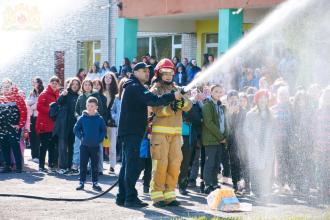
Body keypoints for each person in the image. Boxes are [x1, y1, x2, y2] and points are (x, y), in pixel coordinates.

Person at [116, 62, 182, 208]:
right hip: (132, 132)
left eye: (148, 71)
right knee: (133, 165)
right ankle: (131, 198)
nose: (147, 73)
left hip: (130, 132)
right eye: (144, 71)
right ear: (135, 72)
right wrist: (173, 96)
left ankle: (122, 197)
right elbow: (154, 100)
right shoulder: (135, 87)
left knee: (127, 165)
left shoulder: (134, 87)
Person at [149, 58, 192, 206]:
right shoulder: (155, 89)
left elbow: (189, 105)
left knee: (174, 163)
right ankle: (157, 195)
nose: (168, 75)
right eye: (165, 72)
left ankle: (170, 194)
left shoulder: (177, 89)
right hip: (160, 133)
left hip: (176, 134)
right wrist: (170, 108)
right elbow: (155, 108)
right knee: (161, 164)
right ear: (159, 74)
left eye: (170, 73)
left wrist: (182, 103)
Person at [244, 90, 276, 198]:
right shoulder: (250, 114)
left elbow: (274, 130)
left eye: (265, 98)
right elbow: (246, 129)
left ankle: (264, 190)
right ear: (257, 100)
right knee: (255, 168)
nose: (263, 100)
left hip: (267, 145)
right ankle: (254, 190)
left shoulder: (271, 114)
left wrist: (272, 140)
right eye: (260, 98)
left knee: (266, 168)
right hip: (255, 145)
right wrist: (253, 137)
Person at [74, 97, 106, 192]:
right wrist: (81, 137)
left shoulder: (99, 119)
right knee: (83, 164)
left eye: (92, 106)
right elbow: (76, 129)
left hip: (95, 146)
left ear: (96, 107)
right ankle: (82, 182)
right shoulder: (82, 118)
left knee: (94, 165)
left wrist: (99, 139)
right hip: (84, 146)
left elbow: (103, 131)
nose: (90, 108)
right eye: (88, 106)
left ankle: (95, 182)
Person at [201, 85, 228, 194]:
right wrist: (221, 137)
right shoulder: (207, 105)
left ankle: (214, 183)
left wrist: (225, 136)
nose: (218, 93)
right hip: (211, 139)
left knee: (217, 163)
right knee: (210, 162)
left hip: (220, 140)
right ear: (211, 92)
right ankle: (208, 185)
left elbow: (225, 123)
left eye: (220, 92)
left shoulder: (222, 107)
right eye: (216, 91)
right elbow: (208, 123)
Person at [53, 78, 80, 174]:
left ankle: (70, 166)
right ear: (70, 85)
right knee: (62, 146)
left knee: (72, 146)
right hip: (63, 124)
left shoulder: (78, 96)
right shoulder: (65, 93)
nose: (75, 86)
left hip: (74, 124)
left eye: (77, 84)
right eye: (73, 84)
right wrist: (62, 95)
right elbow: (58, 103)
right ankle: (63, 167)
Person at [0, 79, 27, 173]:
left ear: (12, 86)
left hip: (13, 127)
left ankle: (19, 166)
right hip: (2, 127)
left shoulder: (18, 97)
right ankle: (8, 165)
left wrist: (19, 125)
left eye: (8, 86)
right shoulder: (1, 98)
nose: (6, 88)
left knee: (15, 145)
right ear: (2, 88)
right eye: (4, 86)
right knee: (4, 146)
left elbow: (24, 112)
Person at [271, 86, 293, 191]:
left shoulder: (292, 108)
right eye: (281, 95)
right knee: (279, 161)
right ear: (278, 96)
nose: (283, 97)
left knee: (288, 160)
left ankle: (288, 183)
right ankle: (279, 183)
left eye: (285, 94)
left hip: (289, 139)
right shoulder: (274, 108)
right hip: (277, 140)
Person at [36, 76, 60, 172]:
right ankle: (41, 166)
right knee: (44, 146)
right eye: (53, 82)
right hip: (44, 124)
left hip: (54, 125)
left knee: (52, 146)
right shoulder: (44, 94)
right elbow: (39, 107)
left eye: (56, 83)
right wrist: (51, 111)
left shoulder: (58, 95)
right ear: (49, 83)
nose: (54, 84)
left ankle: (51, 165)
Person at [314, 86, 330, 202]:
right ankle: (322, 189)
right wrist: (314, 142)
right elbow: (313, 127)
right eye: (326, 96)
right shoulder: (318, 111)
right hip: (320, 145)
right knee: (321, 167)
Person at [101, 72, 119, 173]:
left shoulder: (116, 93)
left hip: (112, 122)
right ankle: (99, 166)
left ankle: (112, 166)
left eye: (110, 78)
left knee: (112, 145)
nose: (108, 79)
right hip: (101, 120)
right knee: (99, 144)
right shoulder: (100, 91)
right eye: (106, 77)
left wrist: (112, 118)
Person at [26, 77, 44, 162]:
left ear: (39, 83)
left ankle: (38, 156)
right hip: (32, 117)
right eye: (32, 82)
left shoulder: (42, 92)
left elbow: (39, 105)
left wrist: (32, 105)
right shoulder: (32, 93)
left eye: (35, 82)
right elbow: (27, 103)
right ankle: (34, 156)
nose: (33, 83)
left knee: (38, 137)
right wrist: (33, 105)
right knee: (32, 136)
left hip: (39, 117)